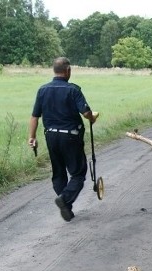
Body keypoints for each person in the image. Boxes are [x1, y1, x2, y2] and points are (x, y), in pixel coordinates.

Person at [28, 57, 99, 221]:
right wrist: (92, 118)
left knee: (58, 173)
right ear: (68, 71)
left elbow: (34, 116)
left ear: (54, 70)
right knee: (78, 173)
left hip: (51, 136)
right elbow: (86, 112)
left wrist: (31, 137)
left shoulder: (42, 90)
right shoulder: (73, 90)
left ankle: (65, 204)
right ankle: (65, 199)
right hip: (70, 136)